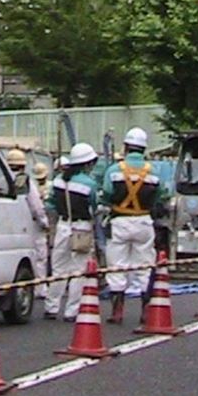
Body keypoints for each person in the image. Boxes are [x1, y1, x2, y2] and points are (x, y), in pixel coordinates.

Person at [101, 127, 162, 324]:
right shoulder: (154, 171)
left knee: (116, 266)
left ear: (126, 147)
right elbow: (161, 195)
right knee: (145, 266)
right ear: (144, 148)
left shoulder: (114, 170)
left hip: (120, 221)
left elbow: (106, 193)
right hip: (144, 220)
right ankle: (146, 310)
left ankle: (117, 311)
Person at [43, 142, 98, 322]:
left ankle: (51, 307)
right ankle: (71, 311)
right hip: (82, 228)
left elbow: (50, 203)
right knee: (78, 270)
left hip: (63, 225)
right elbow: (94, 207)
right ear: (87, 163)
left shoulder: (59, 180)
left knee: (58, 268)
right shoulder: (89, 184)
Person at [6, 149, 50, 297]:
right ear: (23, 166)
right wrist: (44, 223)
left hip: (8, 227)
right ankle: (40, 288)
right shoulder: (27, 183)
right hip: (30, 226)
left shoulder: (1, 181)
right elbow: (37, 207)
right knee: (39, 257)